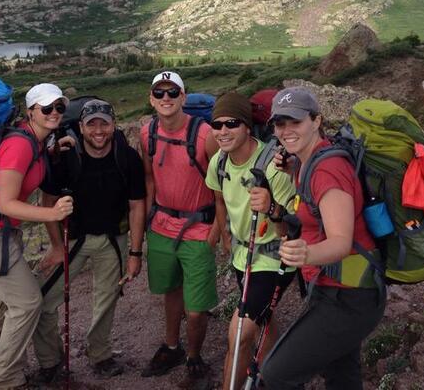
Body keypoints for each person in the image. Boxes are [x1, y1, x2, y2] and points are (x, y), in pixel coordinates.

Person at [259, 87, 386, 390]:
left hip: (348, 295)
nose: (286, 131)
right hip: (346, 289)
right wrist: (294, 170)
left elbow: (341, 241)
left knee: (277, 373)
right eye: (279, 124)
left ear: (316, 120)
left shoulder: (327, 169)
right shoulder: (309, 161)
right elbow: (315, 211)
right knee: (342, 374)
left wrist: (307, 255)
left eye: (295, 122)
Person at [0, 83, 74, 390]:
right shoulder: (20, 145)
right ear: (30, 111)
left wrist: (52, 149)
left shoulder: (35, 141)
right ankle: (5, 378)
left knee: (0, 300)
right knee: (26, 303)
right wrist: (53, 214)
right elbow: (6, 202)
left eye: (59, 108)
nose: (54, 114)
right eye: (47, 108)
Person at [32, 99, 146, 381]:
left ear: (113, 125)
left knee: (107, 300)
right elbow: (47, 202)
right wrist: (58, 247)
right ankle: (50, 361)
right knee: (42, 299)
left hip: (113, 240)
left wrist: (134, 253)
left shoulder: (127, 157)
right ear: (80, 127)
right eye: (91, 124)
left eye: (104, 124)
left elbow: (136, 205)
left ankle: (100, 354)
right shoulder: (65, 157)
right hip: (73, 240)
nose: (98, 131)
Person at [205, 92, 296, 390]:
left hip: (273, 257)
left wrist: (270, 207)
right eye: (216, 125)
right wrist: (226, 239)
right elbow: (220, 200)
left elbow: (290, 230)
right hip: (242, 256)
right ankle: (272, 375)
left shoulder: (273, 166)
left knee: (240, 333)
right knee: (263, 320)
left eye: (231, 123)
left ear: (246, 126)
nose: (222, 131)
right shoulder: (219, 162)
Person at [140, 71, 220, 386]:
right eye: (159, 93)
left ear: (183, 97)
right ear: (151, 99)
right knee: (171, 291)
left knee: (197, 308)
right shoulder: (145, 133)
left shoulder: (205, 136)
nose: (166, 99)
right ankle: (173, 347)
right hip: (161, 227)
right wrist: (146, 223)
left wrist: (218, 231)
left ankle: (194, 356)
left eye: (173, 93)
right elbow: (148, 178)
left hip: (199, 228)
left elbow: (220, 188)